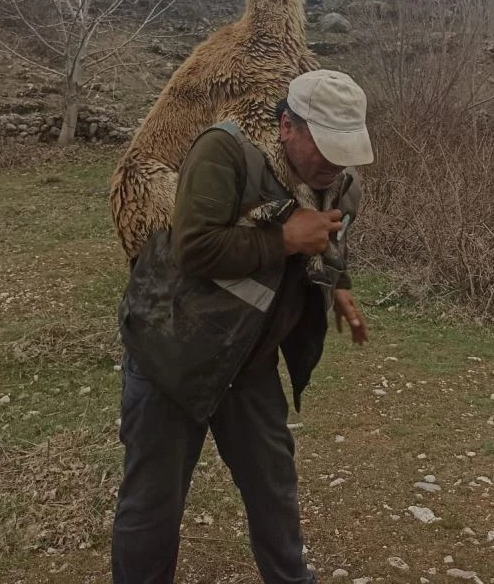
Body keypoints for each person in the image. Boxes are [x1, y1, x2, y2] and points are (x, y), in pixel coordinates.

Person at [112, 69, 375, 584]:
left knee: (274, 492)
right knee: (152, 506)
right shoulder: (224, 152)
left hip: (248, 362)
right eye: (325, 146)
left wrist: (337, 284)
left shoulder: (341, 182)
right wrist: (284, 240)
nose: (335, 163)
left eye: (346, 148)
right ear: (286, 127)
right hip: (171, 353)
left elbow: (329, 241)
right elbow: (194, 249)